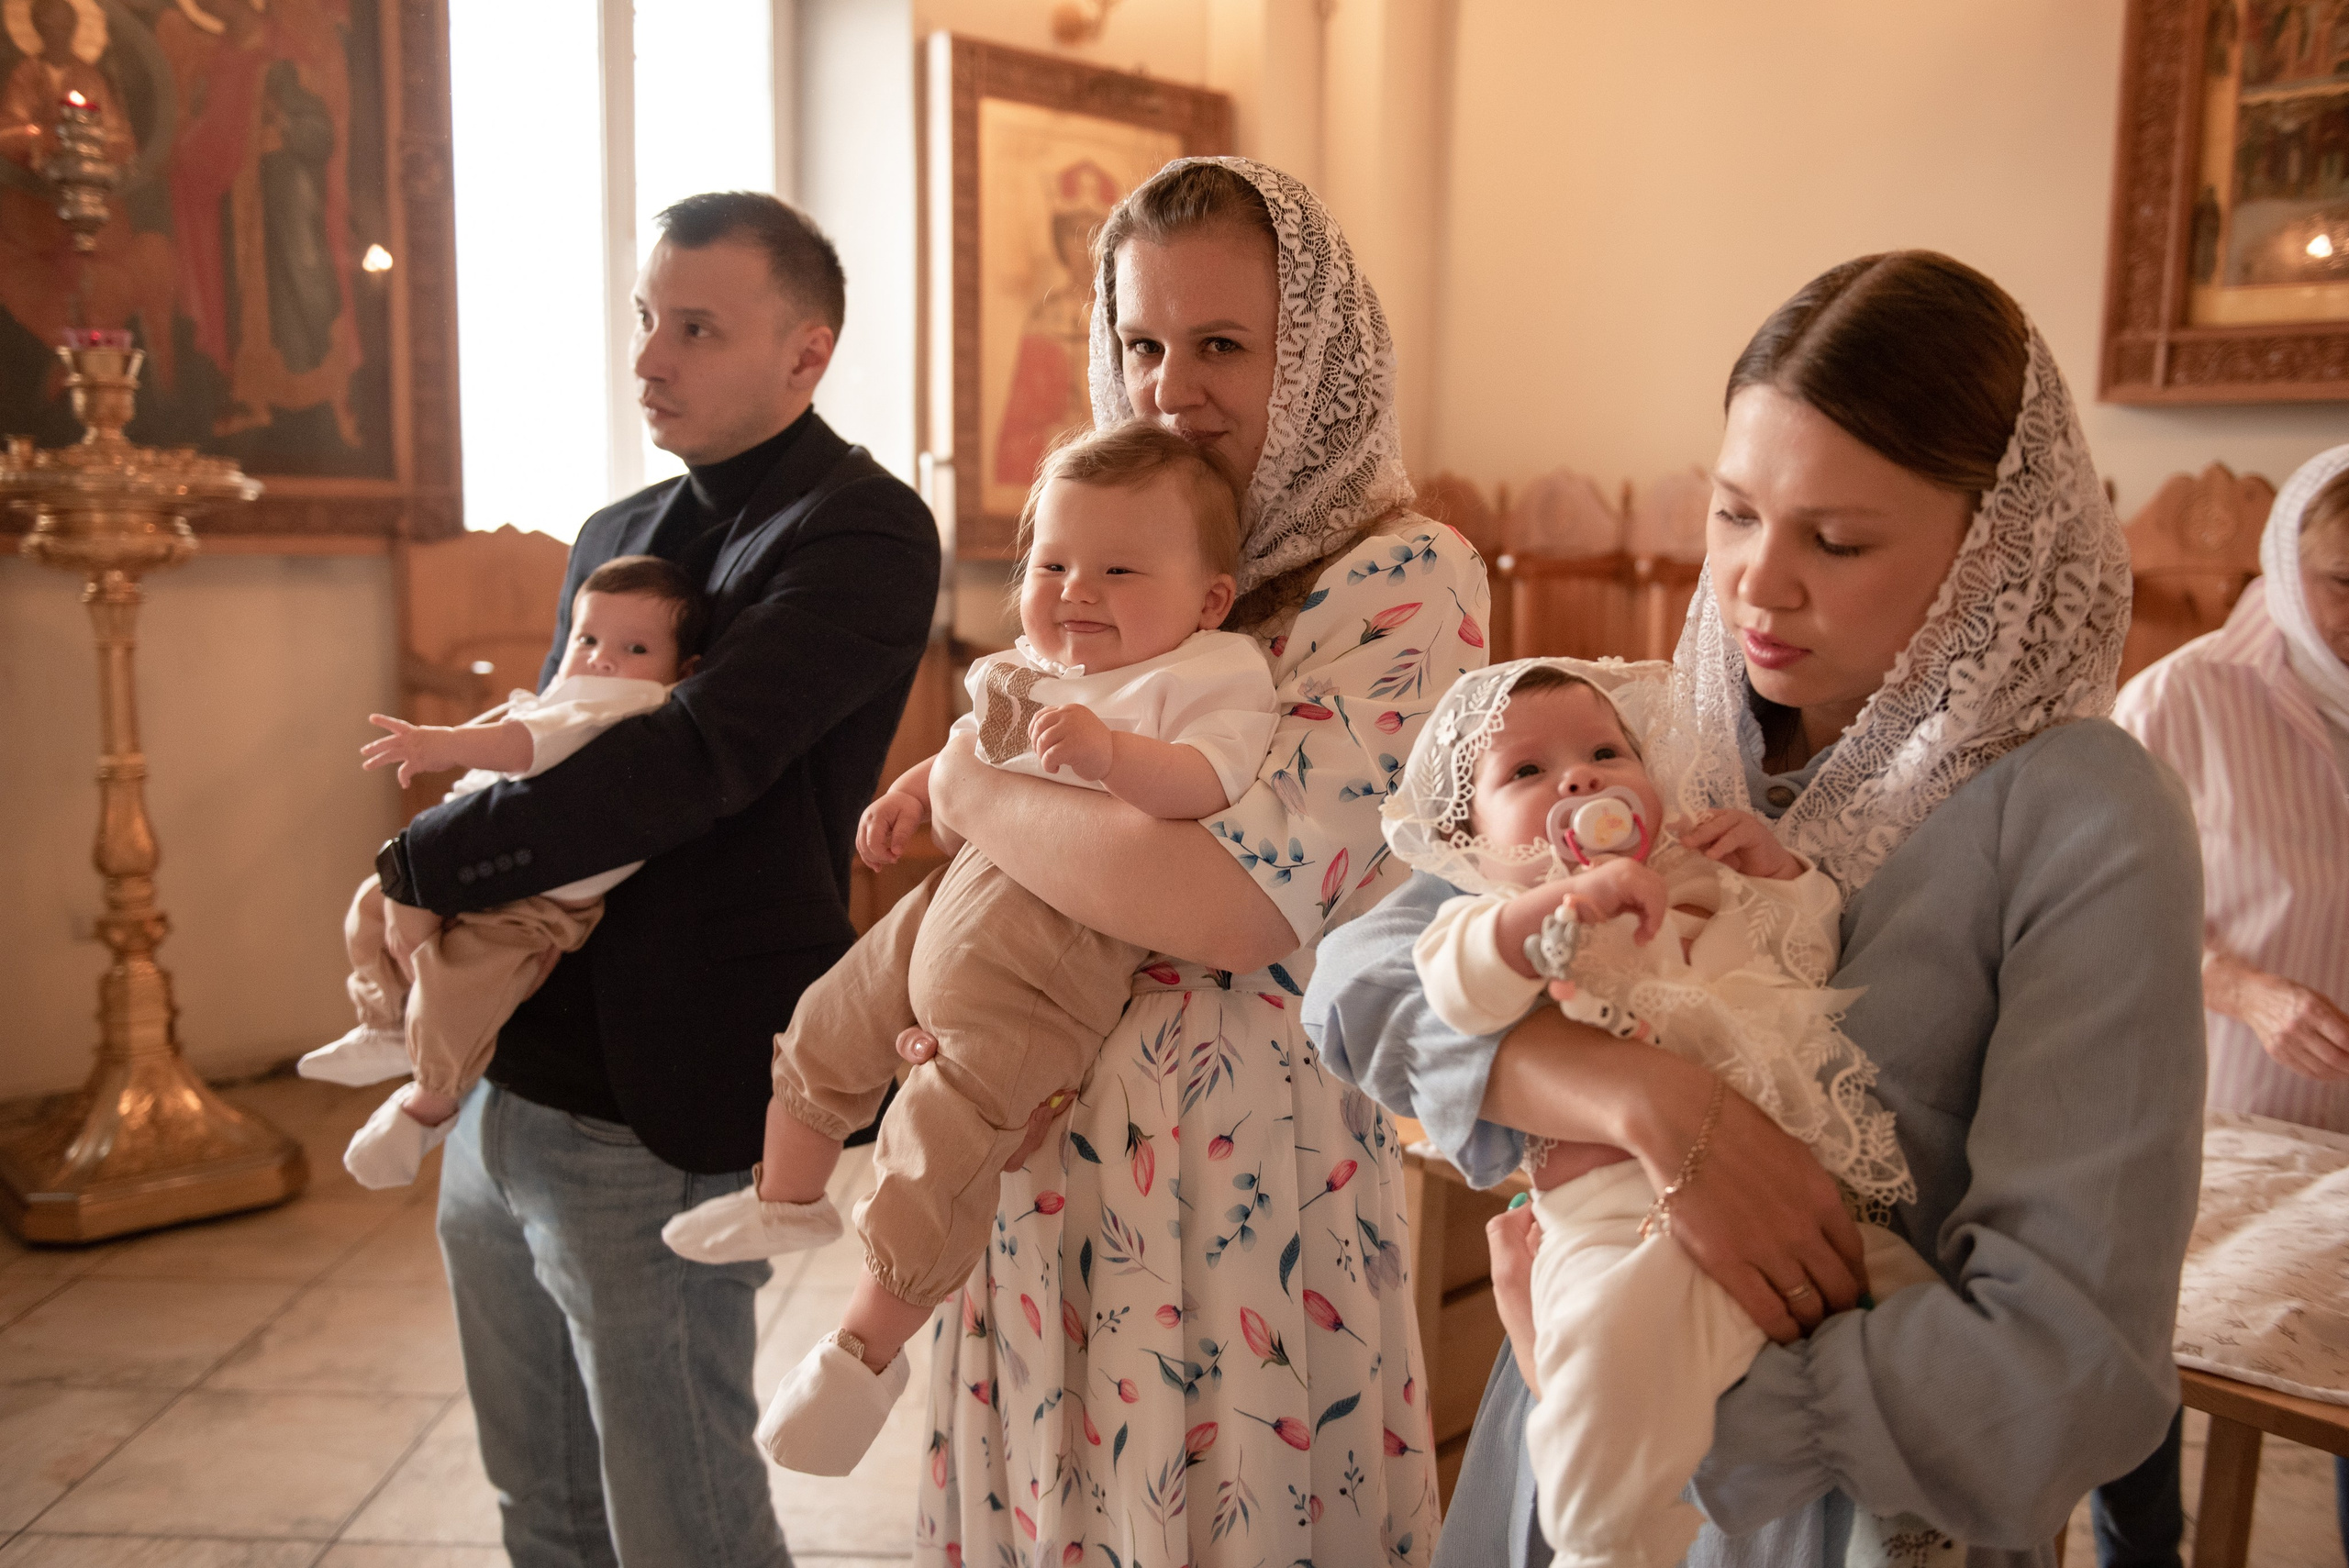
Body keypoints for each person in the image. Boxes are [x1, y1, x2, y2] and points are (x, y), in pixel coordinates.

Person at [1306, 250, 2207, 1567]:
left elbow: (2063, 1376)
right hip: (1565, 1442)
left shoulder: (2084, 814)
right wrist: (1655, 1108)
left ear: (1990, 555)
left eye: (1835, 540)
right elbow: (1358, 976)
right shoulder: (1663, 731)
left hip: (1823, 1505)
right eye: (1733, 514)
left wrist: (1635, 1396)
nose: (1755, 588)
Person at [910, 157, 1481, 1566]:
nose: (1173, 388)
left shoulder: (1404, 577)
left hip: (1243, 1179)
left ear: (1321, 359)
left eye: (1224, 344)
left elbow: (1230, 901)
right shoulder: (1106, 543)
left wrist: (974, 787)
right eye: (1142, 344)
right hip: (1029, 1133)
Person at [374, 191, 939, 1567]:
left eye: (696, 327)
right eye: (645, 317)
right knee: (543, 1506)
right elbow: (551, 735)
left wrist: (425, 858)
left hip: (654, 1103)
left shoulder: (860, 530)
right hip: (513, 1073)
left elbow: (695, 760)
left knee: (682, 1519)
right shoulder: (619, 519)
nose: (650, 357)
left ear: (806, 354)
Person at [660, 420, 1277, 1475]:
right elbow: (962, 756)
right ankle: (787, 1195)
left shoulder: (1207, 672)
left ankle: (862, 1353)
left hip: (1052, 947)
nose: (1076, 589)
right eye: (1051, 563)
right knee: (829, 1016)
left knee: (941, 1130)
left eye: (1119, 568)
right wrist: (907, 800)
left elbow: (1212, 785)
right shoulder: (1029, 665)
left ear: (1208, 598)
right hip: (958, 890)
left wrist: (1116, 752)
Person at [1386, 656, 1937, 1563]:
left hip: (1782, 1199)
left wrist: (1786, 875)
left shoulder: (1704, 884)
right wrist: (1558, 905)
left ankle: (1920, 1502)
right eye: (1525, 772)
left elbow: (1801, 963)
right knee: (1613, 1354)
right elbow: (1457, 987)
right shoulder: (1496, 913)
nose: (1578, 777)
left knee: (1906, 1295)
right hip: (1614, 1224)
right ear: (1468, 835)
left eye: (1606, 750)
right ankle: (1600, 1537)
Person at [2103, 445, 2349, 1568]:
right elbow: (2100, 910)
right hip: (2211, 1110)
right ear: (2285, 566)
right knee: (2151, 1360)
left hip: (2334, 1136)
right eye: (2342, 583)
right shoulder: (2184, 696)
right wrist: (2244, 989)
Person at [299, 557, 707, 1187]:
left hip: (541, 901)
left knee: (458, 984)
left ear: (684, 671)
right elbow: (522, 720)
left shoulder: (631, 706)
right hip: (488, 872)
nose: (602, 659)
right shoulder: (580, 695)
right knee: (372, 903)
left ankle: (428, 1106)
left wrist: (442, 744)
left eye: (635, 647)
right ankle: (381, 1021)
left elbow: (525, 743)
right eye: (588, 639)